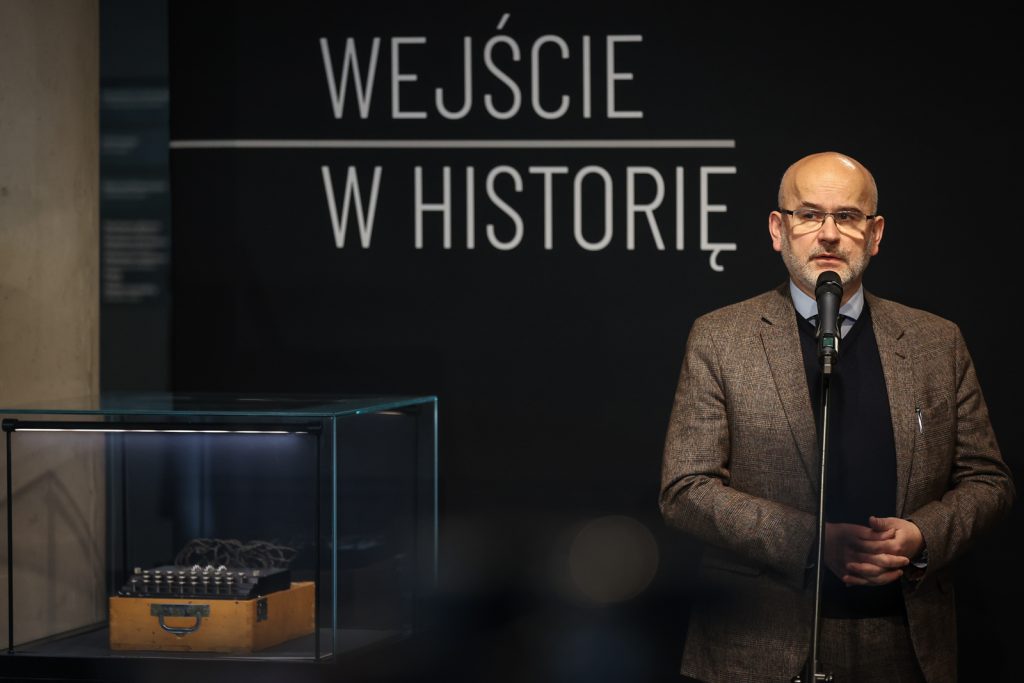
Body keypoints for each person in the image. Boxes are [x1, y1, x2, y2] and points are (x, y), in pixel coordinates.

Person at [660, 152, 1014, 683]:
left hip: (905, 642)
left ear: (875, 234)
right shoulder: (721, 338)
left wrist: (922, 535)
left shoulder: (936, 342)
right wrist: (812, 541)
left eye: (847, 216)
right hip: (758, 644)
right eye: (809, 215)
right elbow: (684, 489)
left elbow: (988, 480)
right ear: (778, 229)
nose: (828, 234)